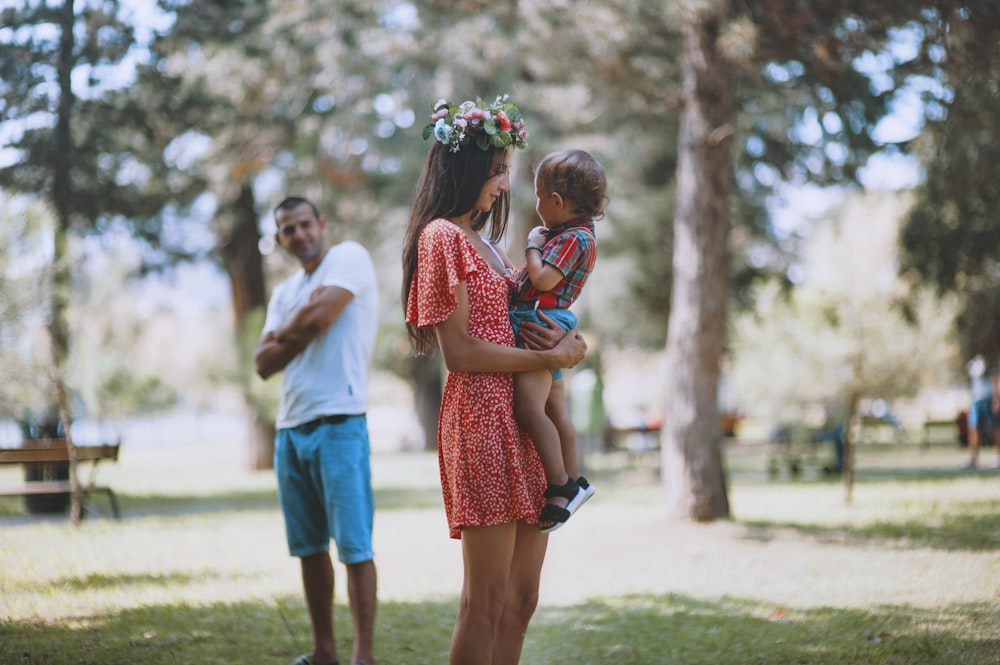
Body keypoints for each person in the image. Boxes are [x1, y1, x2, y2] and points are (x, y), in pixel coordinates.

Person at [402, 95, 587, 665]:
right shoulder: (441, 239)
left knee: (521, 599)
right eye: (496, 172)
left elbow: (533, 314)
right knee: (483, 600)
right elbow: (460, 353)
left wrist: (567, 345)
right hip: (481, 420)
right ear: (464, 171)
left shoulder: (490, 244)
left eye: (506, 172)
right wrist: (549, 361)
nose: (504, 185)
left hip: (525, 423)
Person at [254, 196, 379, 665]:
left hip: (341, 422)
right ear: (280, 238)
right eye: (288, 229)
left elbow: (322, 317)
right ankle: (323, 651)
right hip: (291, 429)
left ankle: (362, 656)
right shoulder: (285, 291)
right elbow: (263, 363)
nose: (299, 234)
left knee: (354, 546)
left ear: (321, 223)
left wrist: (289, 331)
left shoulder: (349, 257)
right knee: (308, 548)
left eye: (305, 224)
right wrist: (300, 325)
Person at [509, 149, 606, 531]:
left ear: (557, 202)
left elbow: (543, 280)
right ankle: (576, 479)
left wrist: (532, 244)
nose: (536, 206)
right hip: (553, 322)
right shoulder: (576, 235)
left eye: (538, 196)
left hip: (539, 325)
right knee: (556, 411)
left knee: (531, 411)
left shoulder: (571, 240)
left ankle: (560, 486)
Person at [962, 355, 1000, 470]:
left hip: (987, 400)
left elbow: (995, 380)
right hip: (976, 401)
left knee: (995, 429)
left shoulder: (990, 361)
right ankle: (973, 460)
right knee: (974, 430)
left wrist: (996, 399)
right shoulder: (973, 361)